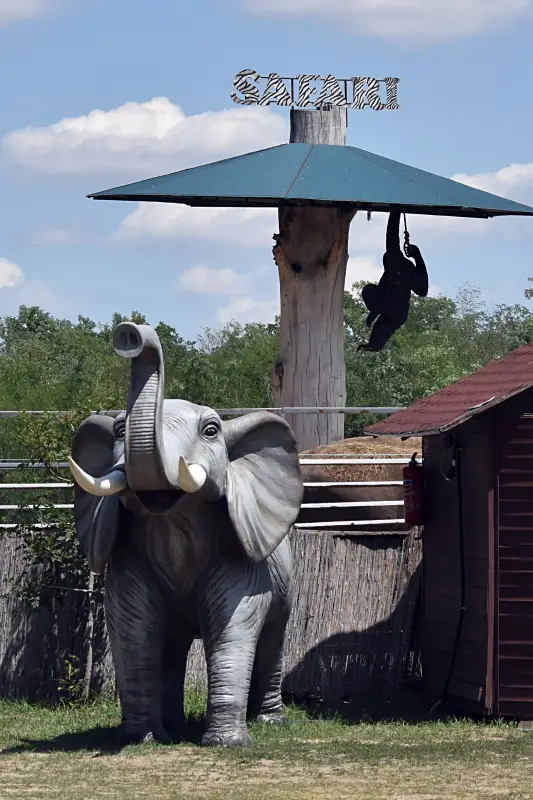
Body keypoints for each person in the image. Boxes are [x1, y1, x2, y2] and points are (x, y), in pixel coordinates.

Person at [358, 209, 428, 352]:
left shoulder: (407, 269)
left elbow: (423, 290)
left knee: (383, 323)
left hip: (396, 308)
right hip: (390, 305)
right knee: (370, 292)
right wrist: (394, 210)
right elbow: (391, 234)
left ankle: (375, 332)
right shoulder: (393, 257)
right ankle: (373, 345)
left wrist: (417, 256)